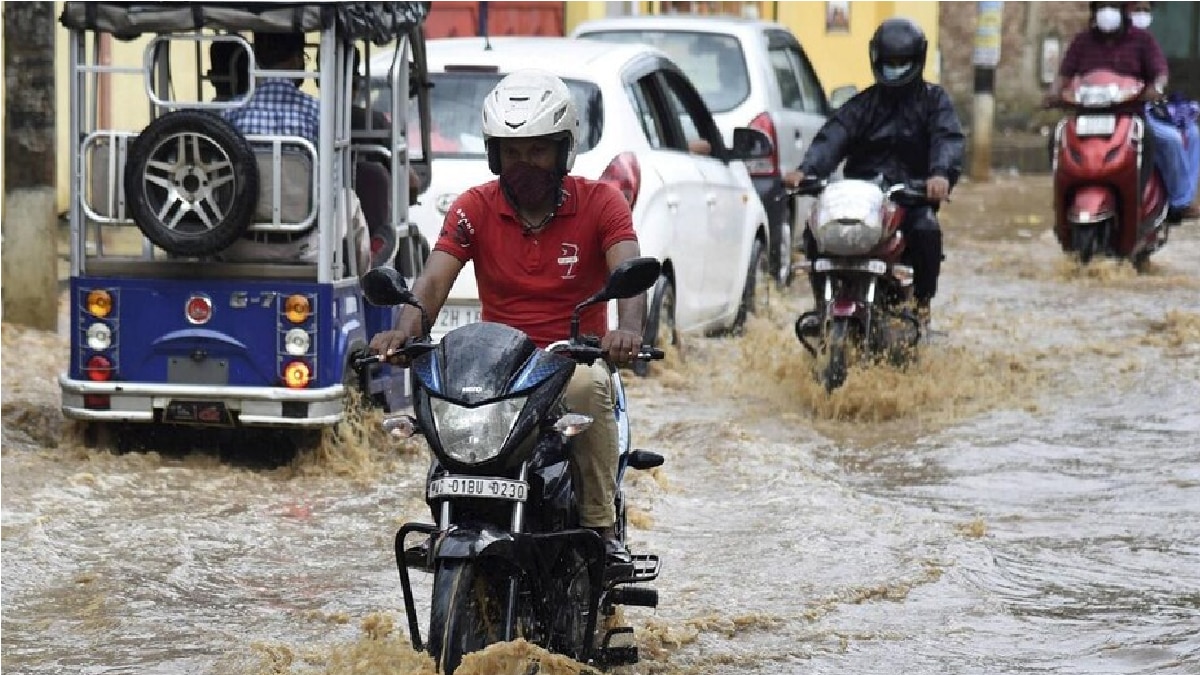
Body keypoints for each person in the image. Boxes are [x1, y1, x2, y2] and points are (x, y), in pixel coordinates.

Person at [368, 69, 646, 565]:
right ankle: (447, 517)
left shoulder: (602, 202)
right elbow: (432, 283)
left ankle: (600, 528)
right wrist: (403, 334)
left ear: (563, 150)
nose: (525, 164)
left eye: (538, 150)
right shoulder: (473, 208)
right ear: (495, 155)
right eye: (512, 152)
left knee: (589, 386)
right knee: (442, 391)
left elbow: (628, 271)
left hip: (573, 360)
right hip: (501, 366)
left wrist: (626, 332)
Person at [783, 17, 964, 332]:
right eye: (889, 63)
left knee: (926, 229)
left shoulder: (935, 102)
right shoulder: (862, 105)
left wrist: (940, 174)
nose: (894, 70)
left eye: (901, 63)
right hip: (861, 199)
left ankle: (921, 305)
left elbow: (947, 139)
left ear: (917, 60)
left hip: (909, 197)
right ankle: (822, 302)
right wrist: (806, 171)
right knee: (816, 229)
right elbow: (833, 136)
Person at [1046, 1, 1200, 222]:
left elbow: (1159, 72)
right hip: (1088, 114)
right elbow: (1064, 74)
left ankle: (1174, 201)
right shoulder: (1082, 42)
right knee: (1057, 137)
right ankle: (1062, 199)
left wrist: (1155, 88)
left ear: (1122, 11)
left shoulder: (1142, 40)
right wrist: (1053, 93)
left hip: (1131, 112)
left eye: (1112, 6)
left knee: (1169, 140)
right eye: (1101, 6)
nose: (1106, 12)